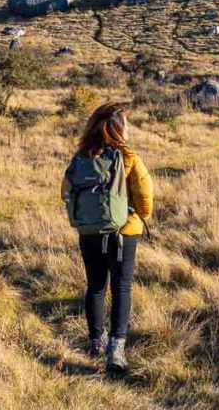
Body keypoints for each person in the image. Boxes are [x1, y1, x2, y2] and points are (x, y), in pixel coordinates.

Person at [61, 102, 153, 372]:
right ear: (118, 129)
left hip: (89, 231)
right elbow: (145, 198)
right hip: (123, 232)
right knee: (121, 287)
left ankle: (95, 343)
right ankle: (116, 348)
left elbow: (65, 191)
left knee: (96, 286)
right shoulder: (128, 157)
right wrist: (136, 217)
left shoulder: (81, 157)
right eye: (126, 123)